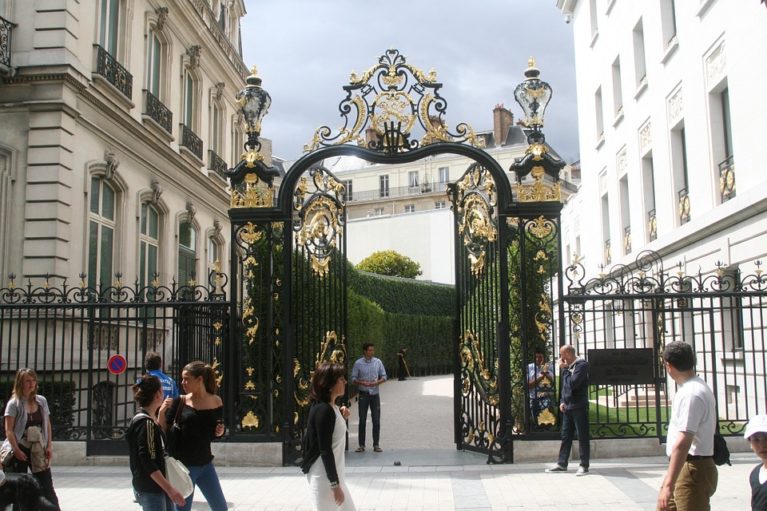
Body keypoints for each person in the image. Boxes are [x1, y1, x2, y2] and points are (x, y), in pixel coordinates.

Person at [657, 341, 718, 511]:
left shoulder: (691, 394)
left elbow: (684, 441)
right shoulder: (693, 389)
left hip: (693, 467)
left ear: (668, 365)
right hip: (684, 466)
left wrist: (668, 485)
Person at [159, 361, 227, 511]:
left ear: (200, 379)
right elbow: (164, 430)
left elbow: (214, 432)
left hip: (206, 465)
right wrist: (161, 413)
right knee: (182, 509)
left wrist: (220, 432)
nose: (182, 382)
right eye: (182, 379)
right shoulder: (180, 402)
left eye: (186, 379)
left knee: (221, 508)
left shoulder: (216, 401)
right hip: (183, 467)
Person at [2, 368, 60, 509]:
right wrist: (15, 450)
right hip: (19, 447)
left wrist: (49, 446)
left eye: (33, 380)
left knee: (46, 485)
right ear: (20, 382)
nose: (31, 384)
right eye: (28, 380)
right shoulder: (14, 403)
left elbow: (47, 425)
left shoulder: (41, 401)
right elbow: (9, 430)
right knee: (19, 488)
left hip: (38, 448)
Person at [300, 362, 356, 511]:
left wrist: (340, 417)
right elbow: (325, 450)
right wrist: (334, 485)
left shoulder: (332, 407)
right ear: (330, 384)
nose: (345, 382)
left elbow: (330, 435)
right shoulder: (324, 410)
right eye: (341, 379)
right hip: (324, 479)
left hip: (334, 476)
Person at [128, 375, 186, 510]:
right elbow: (148, 461)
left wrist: (161, 414)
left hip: (155, 486)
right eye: (161, 390)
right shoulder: (146, 424)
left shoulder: (144, 420)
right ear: (158, 394)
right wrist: (170, 489)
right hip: (152, 488)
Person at [545, 344, 590, 476]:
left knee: (582, 436)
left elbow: (573, 384)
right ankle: (562, 463)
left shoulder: (582, 365)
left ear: (568, 355)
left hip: (579, 406)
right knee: (566, 436)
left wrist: (565, 370)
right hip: (568, 407)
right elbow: (565, 387)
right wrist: (562, 401)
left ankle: (584, 465)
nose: (560, 358)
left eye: (561, 355)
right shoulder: (569, 368)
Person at [351, 343, 387, 453]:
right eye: (370, 350)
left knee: (376, 420)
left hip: (375, 395)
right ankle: (361, 445)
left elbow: (384, 376)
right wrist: (362, 382)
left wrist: (377, 382)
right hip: (363, 394)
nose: (372, 352)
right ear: (365, 351)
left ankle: (376, 444)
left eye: (373, 350)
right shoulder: (358, 363)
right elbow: (353, 378)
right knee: (362, 420)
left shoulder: (378, 362)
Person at [744, 414, 767, 511]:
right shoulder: (755, 473)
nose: (763, 445)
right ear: (750, 443)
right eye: (756, 440)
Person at [527, 349, 554, 425]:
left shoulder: (550, 366)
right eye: (536, 357)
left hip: (546, 397)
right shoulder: (530, 367)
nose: (538, 359)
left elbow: (552, 382)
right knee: (536, 421)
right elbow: (528, 385)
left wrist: (544, 370)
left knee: (547, 422)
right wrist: (541, 377)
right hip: (533, 397)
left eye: (540, 357)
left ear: (544, 358)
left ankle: (547, 434)